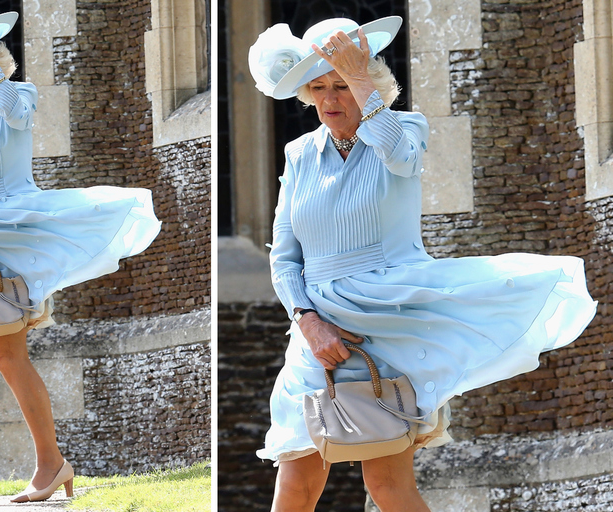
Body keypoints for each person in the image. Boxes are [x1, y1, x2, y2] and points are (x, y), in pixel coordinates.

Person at [248, 16, 596, 512]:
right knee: (296, 481)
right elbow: (285, 256)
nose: (330, 99)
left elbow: (401, 157)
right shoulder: (300, 152)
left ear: (367, 84)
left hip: (387, 322)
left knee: (387, 486)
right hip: (316, 330)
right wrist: (306, 320)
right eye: (320, 87)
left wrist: (360, 75)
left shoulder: (405, 129)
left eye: (342, 85)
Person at [0, 12, 160, 507]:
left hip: (7, 240)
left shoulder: (17, 96)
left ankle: (50, 463)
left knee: (7, 355)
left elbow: (16, 113)